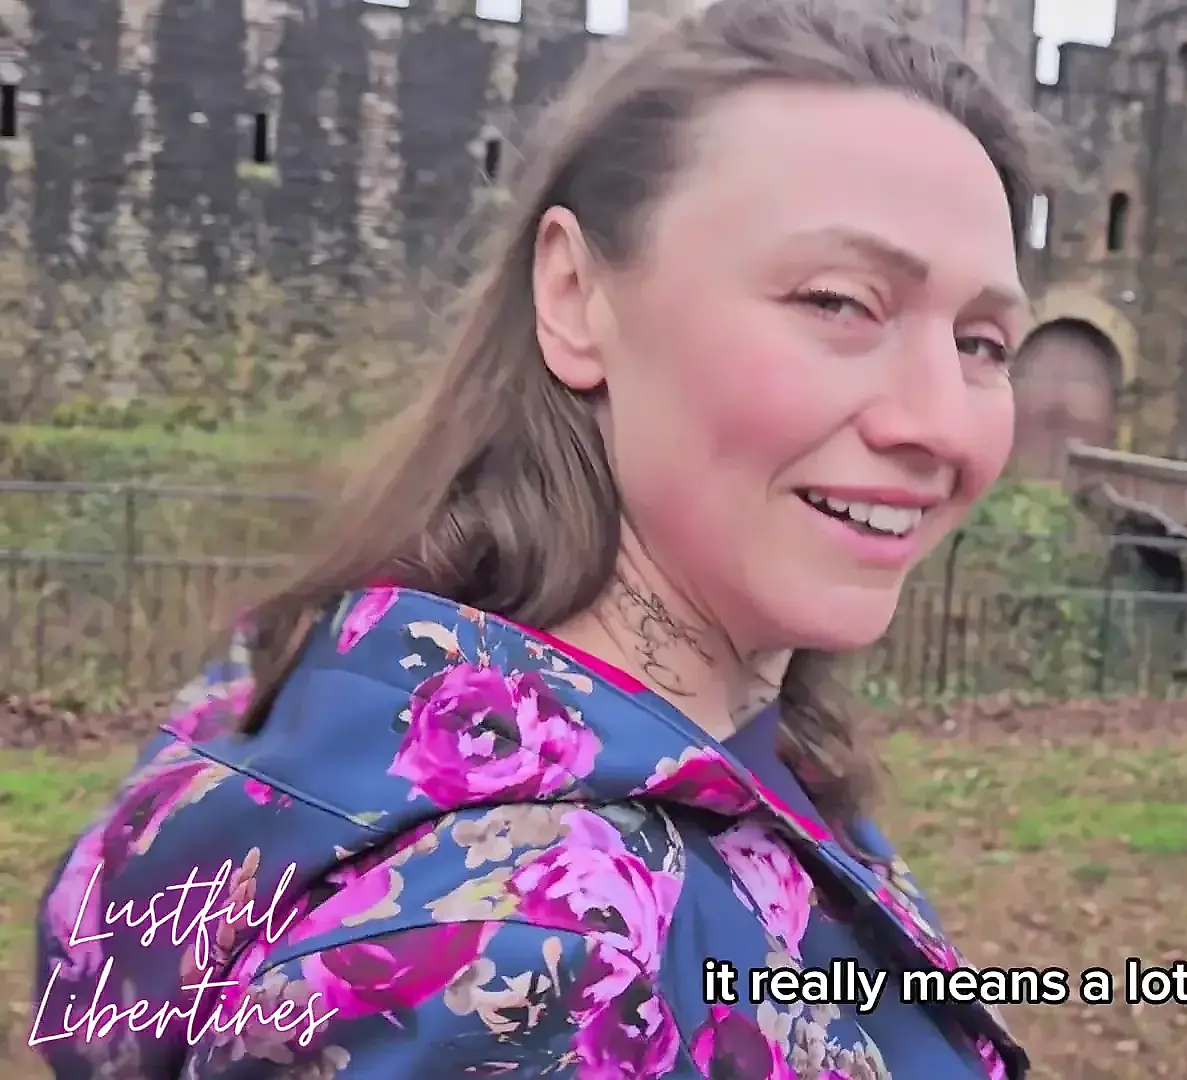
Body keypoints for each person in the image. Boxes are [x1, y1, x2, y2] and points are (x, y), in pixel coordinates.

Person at [30, 1, 1043, 1075]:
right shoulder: (523, 963)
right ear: (574, 297)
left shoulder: (369, 698)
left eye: (984, 343)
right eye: (838, 302)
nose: (941, 423)